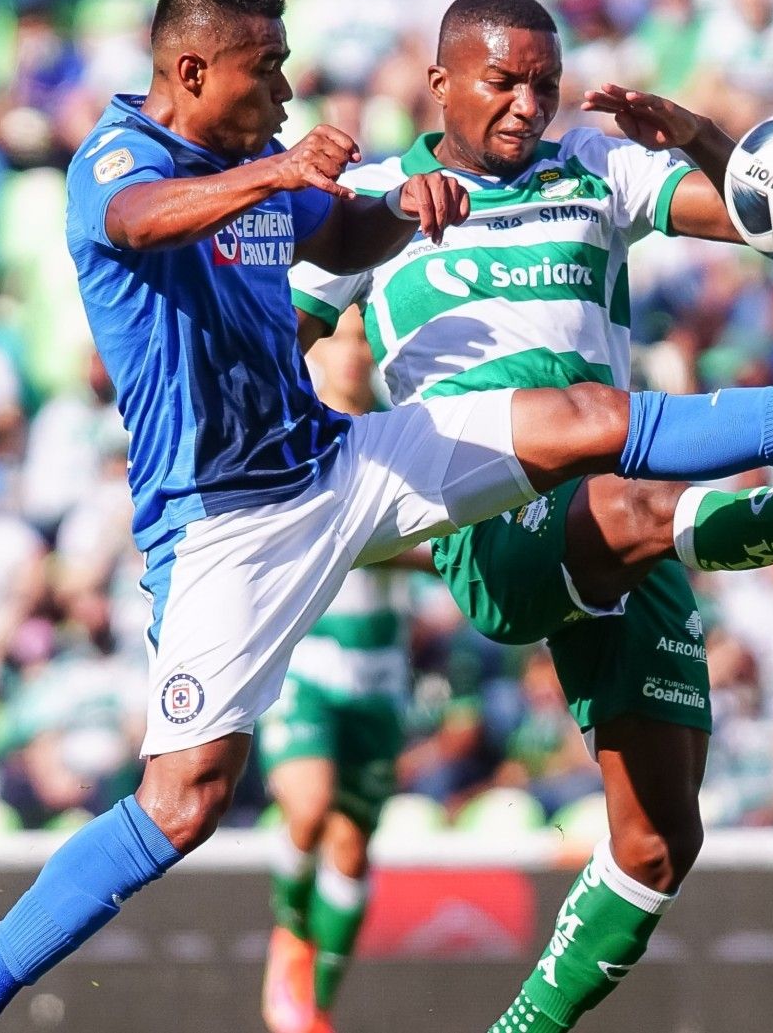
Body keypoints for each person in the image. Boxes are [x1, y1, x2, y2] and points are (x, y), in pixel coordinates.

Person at [0, 0, 773, 1033]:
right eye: (266, 69)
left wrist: (403, 208)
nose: (285, 90)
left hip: (336, 462)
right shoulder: (121, 158)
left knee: (587, 420)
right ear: (191, 72)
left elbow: (340, 230)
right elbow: (138, 222)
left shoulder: (336, 167)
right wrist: (286, 174)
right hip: (224, 522)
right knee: (184, 802)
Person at [285, 0, 773, 1032]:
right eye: (505, 82)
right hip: (493, 518)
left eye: (546, 83)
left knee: (659, 844)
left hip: (616, 504)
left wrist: (706, 139)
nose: (530, 104)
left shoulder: (595, 166)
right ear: (440, 81)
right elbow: (274, 348)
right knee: (627, 475)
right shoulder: (370, 203)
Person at [258, 312, 421, 1033]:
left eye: (365, 340)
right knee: (309, 807)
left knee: (352, 847)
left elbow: (442, 535)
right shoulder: (289, 420)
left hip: (381, 674)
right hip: (308, 661)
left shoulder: (404, 429)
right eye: (341, 337)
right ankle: (291, 927)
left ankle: (317, 1006)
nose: (354, 353)